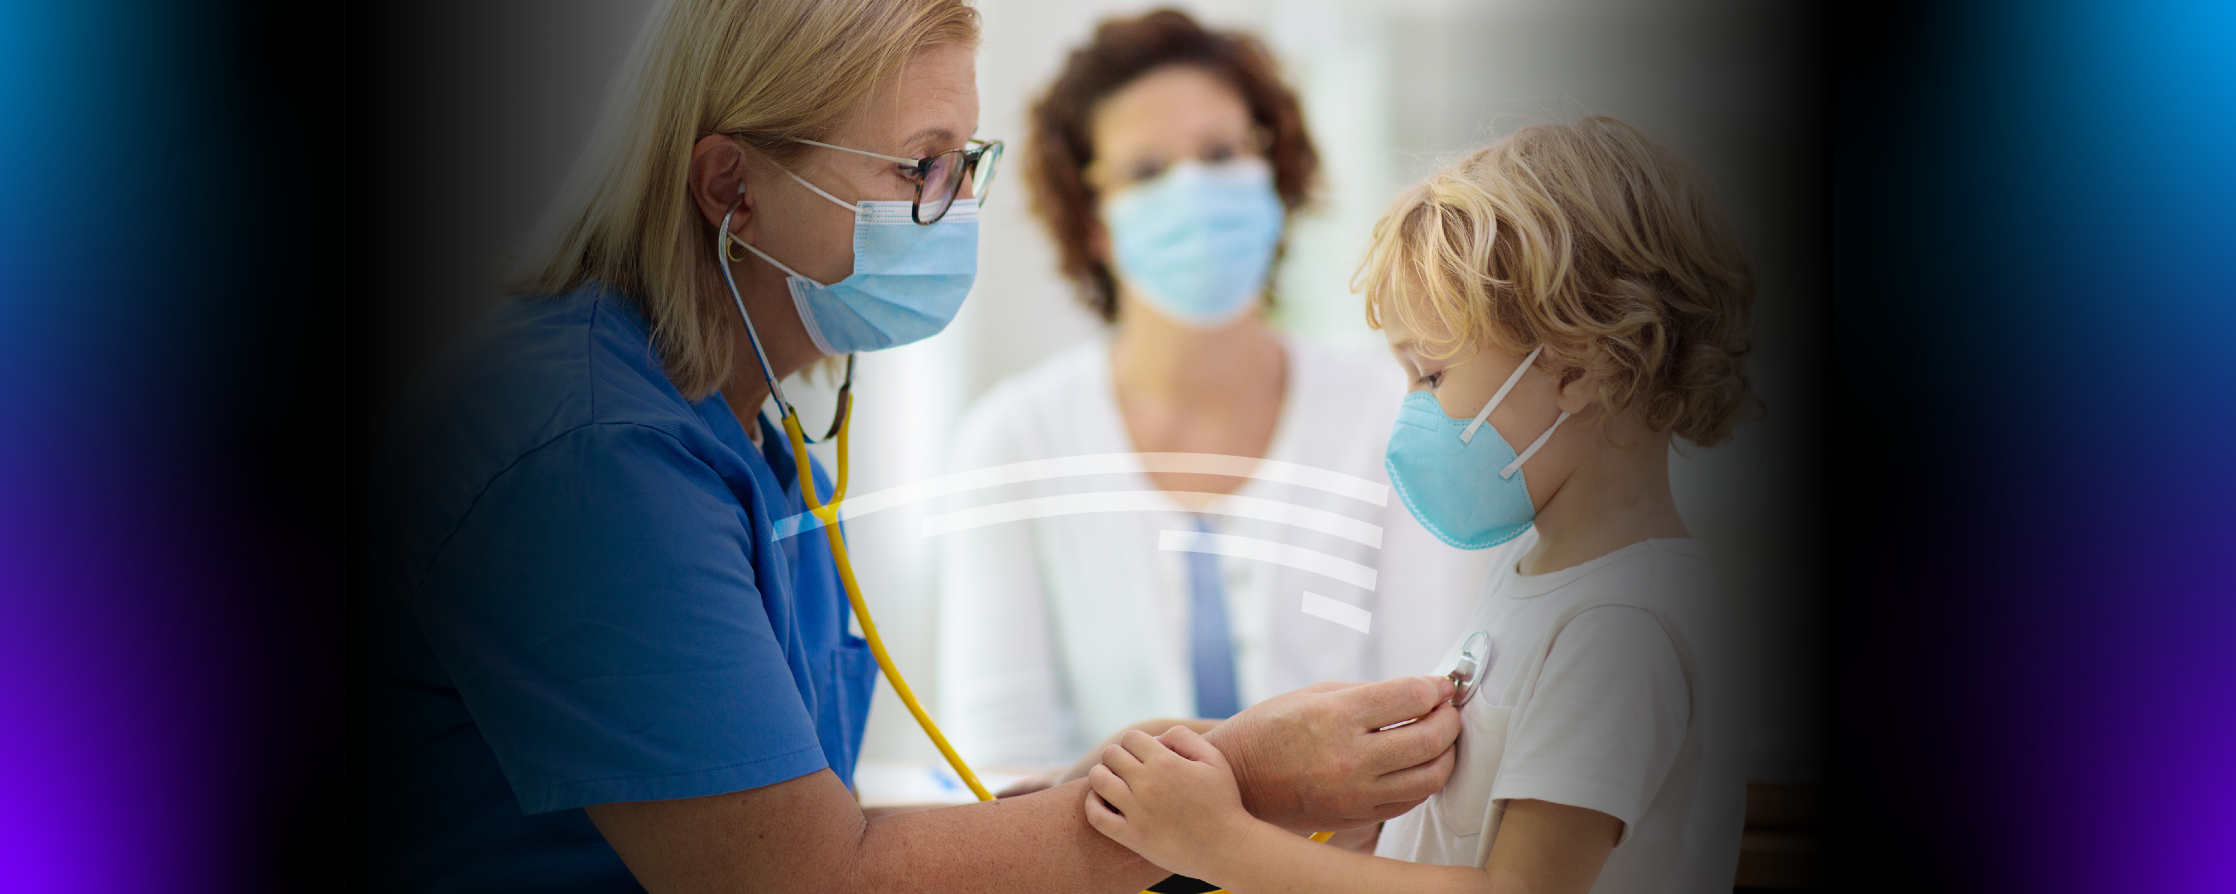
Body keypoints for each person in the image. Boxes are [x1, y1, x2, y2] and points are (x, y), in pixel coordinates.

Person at [359, 1, 1465, 892]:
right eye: (915, 168)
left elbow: (794, 817)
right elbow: (802, 878)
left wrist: (1138, 791)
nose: (952, 208)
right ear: (732, 187)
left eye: (961, 165)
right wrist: (1235, 781)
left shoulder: (743, 431)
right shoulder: (591, 458)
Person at [1074, 116, 1758, 894]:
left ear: (1578, 368)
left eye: (1431, 376)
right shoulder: (1542, 577)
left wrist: (1221, 845)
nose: (1410, 411)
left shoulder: (1619, 625)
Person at [934, 8, 1496, 781]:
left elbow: (1432, 726)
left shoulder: (1396, 413)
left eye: (1222, 152)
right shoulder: (1012, 441)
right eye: (1146, 171)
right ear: (1092, 221)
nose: (1194, 189)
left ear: (1274, 169)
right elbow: (999, 774)